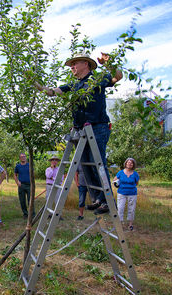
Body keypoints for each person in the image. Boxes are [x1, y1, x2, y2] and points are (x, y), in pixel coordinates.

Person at [35, 53, 122, 215]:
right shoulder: (74, 86)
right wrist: (38, 85)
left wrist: (109, 63)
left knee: (98, 164)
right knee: (85, 166)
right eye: (71, 65)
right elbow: (53, 92)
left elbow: (118, 76)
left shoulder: (96, 80)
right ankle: (98, 199)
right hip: (82, 131)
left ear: (86, 64)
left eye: (75, 63)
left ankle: (108, 201)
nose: (72, 67)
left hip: (97, 127)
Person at [113, 158, 140, 231]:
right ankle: (120, 224)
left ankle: (130, 225)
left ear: (133, 165)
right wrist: (116, 184)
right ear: (125, 163)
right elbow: (114, 180)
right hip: (121, 193)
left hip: (132, 193)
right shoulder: (120, 172)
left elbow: (136, 183)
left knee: (131, 209)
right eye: (128, 162)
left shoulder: (135, 174)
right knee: (120, 208)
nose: (129, 164)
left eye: (131, 163)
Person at [14, 153, 34, 219]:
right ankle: (25, 214)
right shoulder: (17, 166)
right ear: (19, 158)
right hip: (21, 185)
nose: (23, 158)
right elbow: (15, 175)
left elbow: (32, 174)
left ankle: (32, 214)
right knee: (22, 200)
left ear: (26, 157)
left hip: (29, 185)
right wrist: (17, 182)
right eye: (22, 157)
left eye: (24, 156)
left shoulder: (29, 165)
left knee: (30, 200)